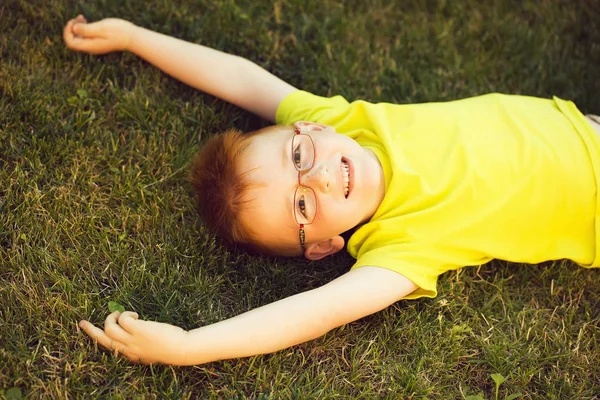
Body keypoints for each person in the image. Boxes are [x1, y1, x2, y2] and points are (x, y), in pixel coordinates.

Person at [63, 15, 600, 366]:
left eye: (298, 158)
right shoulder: (399, 249)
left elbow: (244, 80)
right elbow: (311, 314)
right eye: (303, 206)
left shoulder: (345, 121)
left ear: (311, 131)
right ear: (322, 245)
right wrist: (187, 346)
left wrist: (135, 38)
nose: (319, 178)